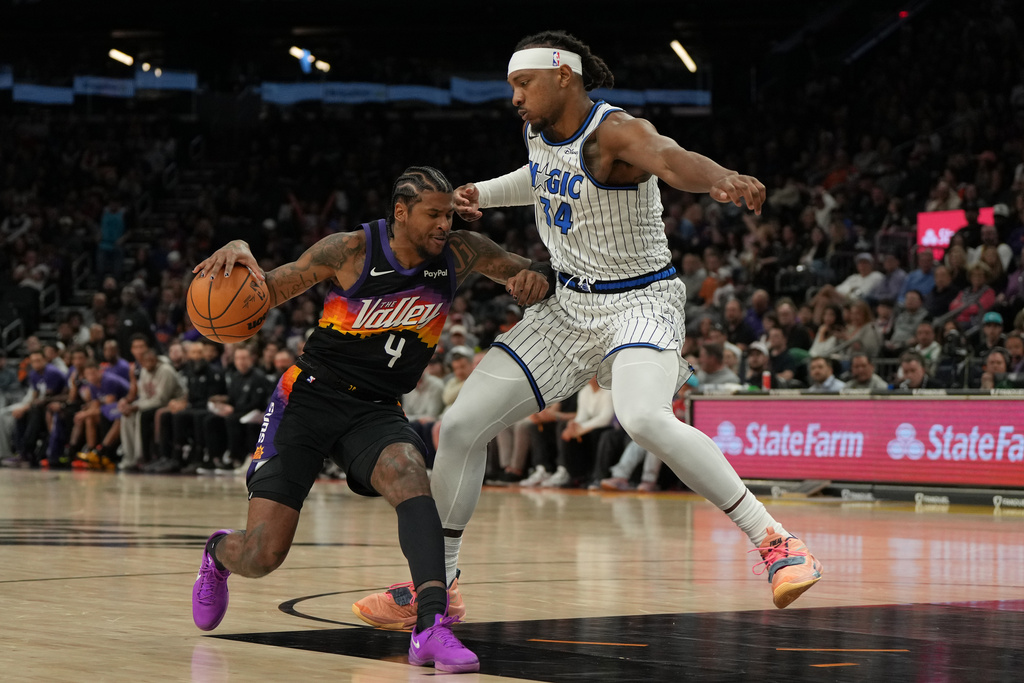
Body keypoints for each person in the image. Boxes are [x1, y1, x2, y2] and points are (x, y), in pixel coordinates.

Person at [354, 31, 821, 629]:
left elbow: (672, 159)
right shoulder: (538, 130)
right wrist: (484, 196)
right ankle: (436, 585)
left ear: (564, 77)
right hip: (568, 306)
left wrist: (721, 177)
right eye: (512, 87)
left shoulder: (616, 132)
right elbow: (542, 176)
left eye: (524, 84)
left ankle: (777, 542)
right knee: (461, 426)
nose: (515, 97)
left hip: (640, 300)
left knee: (645, 417)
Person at [189, 166, 553, 674]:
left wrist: (532, 277)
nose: (444, 224)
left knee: (410, 472)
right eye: (433, 214)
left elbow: (522, 269)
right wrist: (239, 244)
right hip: (309, 399)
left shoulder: (461, 252)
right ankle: (217, 553)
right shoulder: (348, 250)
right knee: (262, 555)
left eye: (449, 214)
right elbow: (265, 291)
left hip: (376, 409)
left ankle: (429, 626)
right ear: (400, 212)